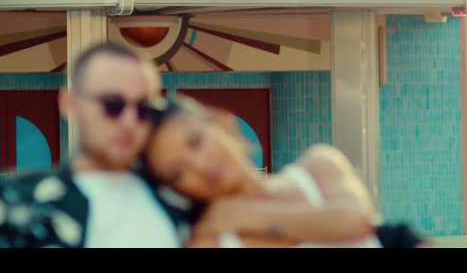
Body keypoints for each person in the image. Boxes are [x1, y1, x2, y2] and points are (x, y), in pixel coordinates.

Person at [0, 43, 199, 248]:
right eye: (113, 105)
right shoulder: (16, 205)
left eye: (143, 108)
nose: (129, 122)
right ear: (70, 104)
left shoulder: (180, 200)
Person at [142, 96, 426, 248]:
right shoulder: (208, 240)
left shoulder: (318, 165)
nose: (200, 166)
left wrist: (247, 215)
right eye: (178, 172)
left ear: (219, 123)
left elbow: (355, 221)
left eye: (196, 141)